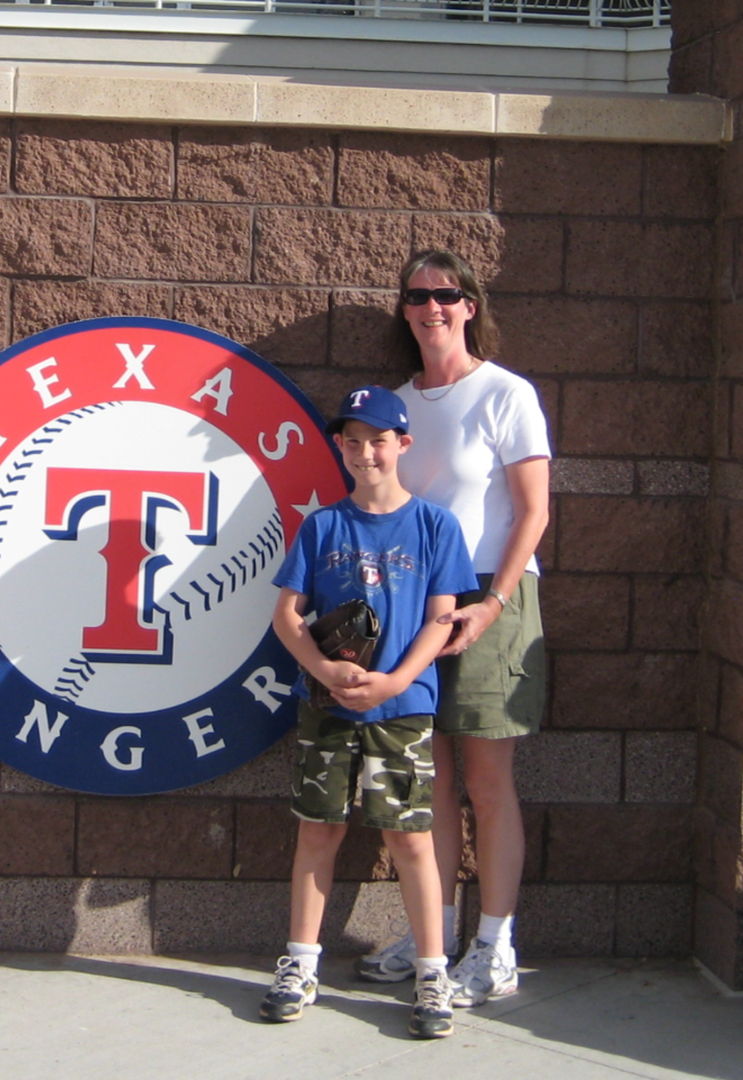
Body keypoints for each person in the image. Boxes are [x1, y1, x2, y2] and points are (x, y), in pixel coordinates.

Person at [357, 249, 550, 1008]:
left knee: (487, 780)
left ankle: (496, 945)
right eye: (417, 296)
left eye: (446, 294)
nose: (432, 307)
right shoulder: (399, 406)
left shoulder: (506, 393)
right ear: (403, 311)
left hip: (491, 599)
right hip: (417, 601)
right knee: (427, 779)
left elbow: (532, 511)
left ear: (470, 305)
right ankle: (433, 938)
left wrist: (495, 602)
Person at [263, 385, 479, 1039]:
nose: (365, 453)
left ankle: (431, 969)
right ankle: (301, 964)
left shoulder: (435, 525)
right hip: (328, 708)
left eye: (378, 440)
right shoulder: (323, 524)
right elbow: (286, 615)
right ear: (340, 446)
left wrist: (395, 682)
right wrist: (324, 669)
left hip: (403, 709)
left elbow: (443, 619)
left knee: (410, 839)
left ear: (403, 444)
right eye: (352, 441)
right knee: (317, 832)